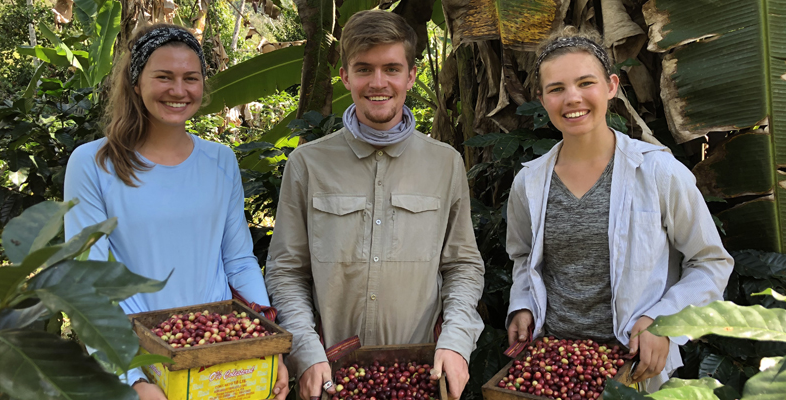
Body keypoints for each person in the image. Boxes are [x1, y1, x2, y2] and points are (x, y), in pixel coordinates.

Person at [264, 10, 485, 400]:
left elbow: (462, 265)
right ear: (346, 76)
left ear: (411, 75)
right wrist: (305, 351)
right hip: (328, 376)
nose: (378, 83)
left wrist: (455, 341)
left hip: (419, 377)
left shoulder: (445, 162)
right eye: (364, 69)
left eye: (391, 68)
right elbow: (286, 271)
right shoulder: (308, 163)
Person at [63, 24, 289, 400]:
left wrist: (266, 348)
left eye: (191, 78)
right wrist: (133, 380)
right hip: (140, 361)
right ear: (136, 82)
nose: (178, 90)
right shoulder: (94, 163)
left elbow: (238, 261)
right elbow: (88, 283)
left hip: (221, 354)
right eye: (163, 77)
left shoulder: (220, 160)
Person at [504, 27, 734, 392]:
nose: (572, 98)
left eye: (585, 82)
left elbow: (710, 263)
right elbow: (522, 258)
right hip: (555, 365)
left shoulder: (659, 171)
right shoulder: (528, 183)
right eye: (557, 88)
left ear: (611, 86)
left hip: (634, 367)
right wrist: (523, 306)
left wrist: (662, 322)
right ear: (542, 98)